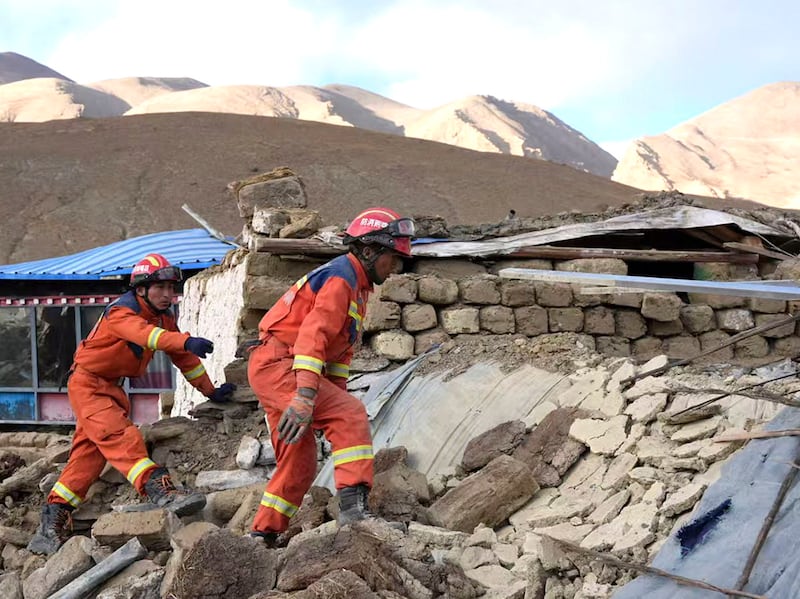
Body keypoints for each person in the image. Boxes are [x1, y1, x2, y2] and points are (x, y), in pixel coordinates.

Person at [27, 253, 236, 555]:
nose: (168, 295)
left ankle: (51, 525)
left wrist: (210, 390)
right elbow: (148, 336)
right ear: (140, 289)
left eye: (171, 288)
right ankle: (160, 491)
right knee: (120, 436)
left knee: (88, 457)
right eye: (160, 288)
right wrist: (184, 339)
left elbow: (185, 360)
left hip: (110, 388)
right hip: (88, 385)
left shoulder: (162, 319)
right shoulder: (122, 314)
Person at [247, 207, 414, 545]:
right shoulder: (342, 279)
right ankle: (354, 514)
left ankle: (262, 534)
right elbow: (313, 337)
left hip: (280, 366)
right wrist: (307, 397)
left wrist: (327, 398)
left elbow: (338, 353)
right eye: (392, 257)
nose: (395, 266)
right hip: (281, 365)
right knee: (350, 412)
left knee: (301, 462)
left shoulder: (357, 286)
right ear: (368, 251)